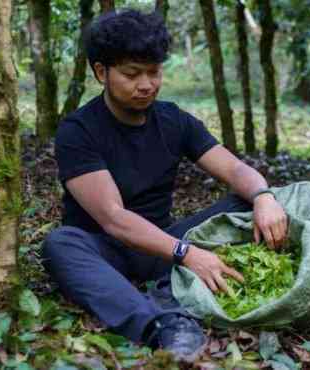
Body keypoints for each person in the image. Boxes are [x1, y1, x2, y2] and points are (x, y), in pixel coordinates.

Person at [41, 8, 288, 362]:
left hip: (163, 246)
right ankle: (161, 324)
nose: (146, 85)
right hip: (104, 251)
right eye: (131, 74)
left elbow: (235, 169)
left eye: (154, 72)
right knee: (59, 244)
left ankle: (172, 285)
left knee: (249, 200)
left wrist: (264, 196)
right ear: (101, 72)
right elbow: (113, 218)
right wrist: (187, 255)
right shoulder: (78, 131)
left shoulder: (175, 120)